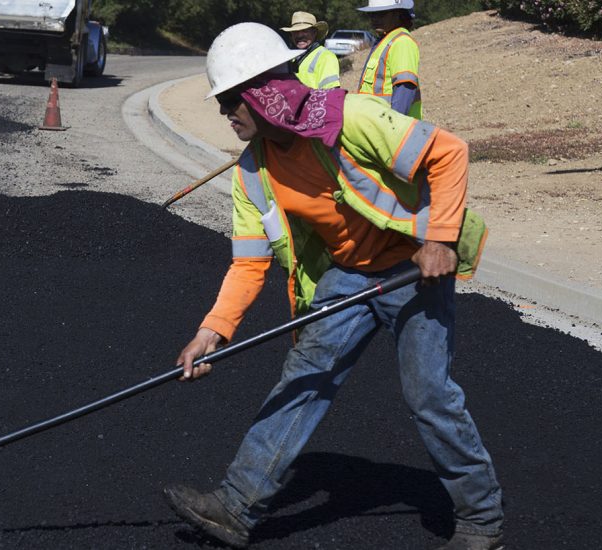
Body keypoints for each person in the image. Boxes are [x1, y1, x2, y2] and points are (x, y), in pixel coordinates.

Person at [162, 23, 504, 550]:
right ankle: (236, 505)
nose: (224, 112)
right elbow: (249, 263)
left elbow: (449, 152)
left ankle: (481, 520)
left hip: (411, 268)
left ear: (263, 93)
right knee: (303, 380)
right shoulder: (252, 172)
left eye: (231, 99)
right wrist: (214, 330)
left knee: (429, 394)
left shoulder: (352, 119)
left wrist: (439, 238)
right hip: (348, 274)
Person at [356, 0, 421, 118]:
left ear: (398, 14)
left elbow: (404, 89)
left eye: (382, 14)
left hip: (390, 129)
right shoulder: (385, 41)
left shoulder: (402, 42)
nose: (374, 18)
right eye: (372, 14)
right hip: (376, 125)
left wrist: (393, 127)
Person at [281, 11, 340, 90]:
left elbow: (332, 93)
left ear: (314, 33)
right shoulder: (293, 58)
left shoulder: (326, 57)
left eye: (304, 31)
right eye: (296, 31)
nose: (299, 35)